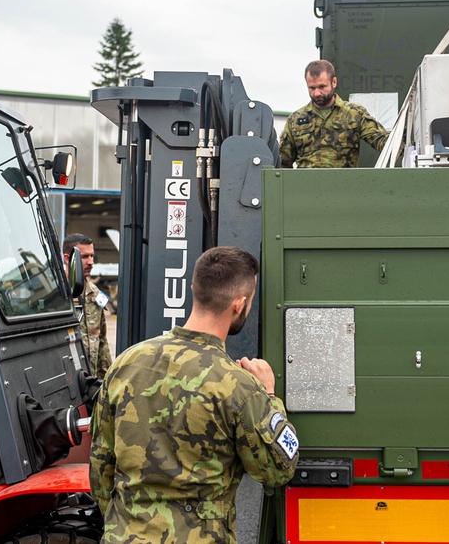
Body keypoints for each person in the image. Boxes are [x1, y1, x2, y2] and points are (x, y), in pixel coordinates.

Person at [89, 246, 299, 543]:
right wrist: (269, 394)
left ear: (193, 289)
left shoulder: (126, 364)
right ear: (239, 305)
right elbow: (278, 470)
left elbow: (100, 468)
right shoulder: (240, 386)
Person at [279, 59, 390, 168]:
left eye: (322, 87)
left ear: (334, 82)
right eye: (312, 88)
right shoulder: (295, 120)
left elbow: (382, 141)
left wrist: (402, 137)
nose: (317, 93)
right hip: (306, 184)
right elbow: (282, 161)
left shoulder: (354, 114)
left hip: (344, 184)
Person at [63, 233, 112, 380]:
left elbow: (102, 341)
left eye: (92, 256)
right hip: (66, 381)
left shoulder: (95, 293)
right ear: (67, 258)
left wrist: (106, 381)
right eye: (84, 257)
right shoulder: (57, 294)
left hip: (91, 381)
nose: (91, 262)